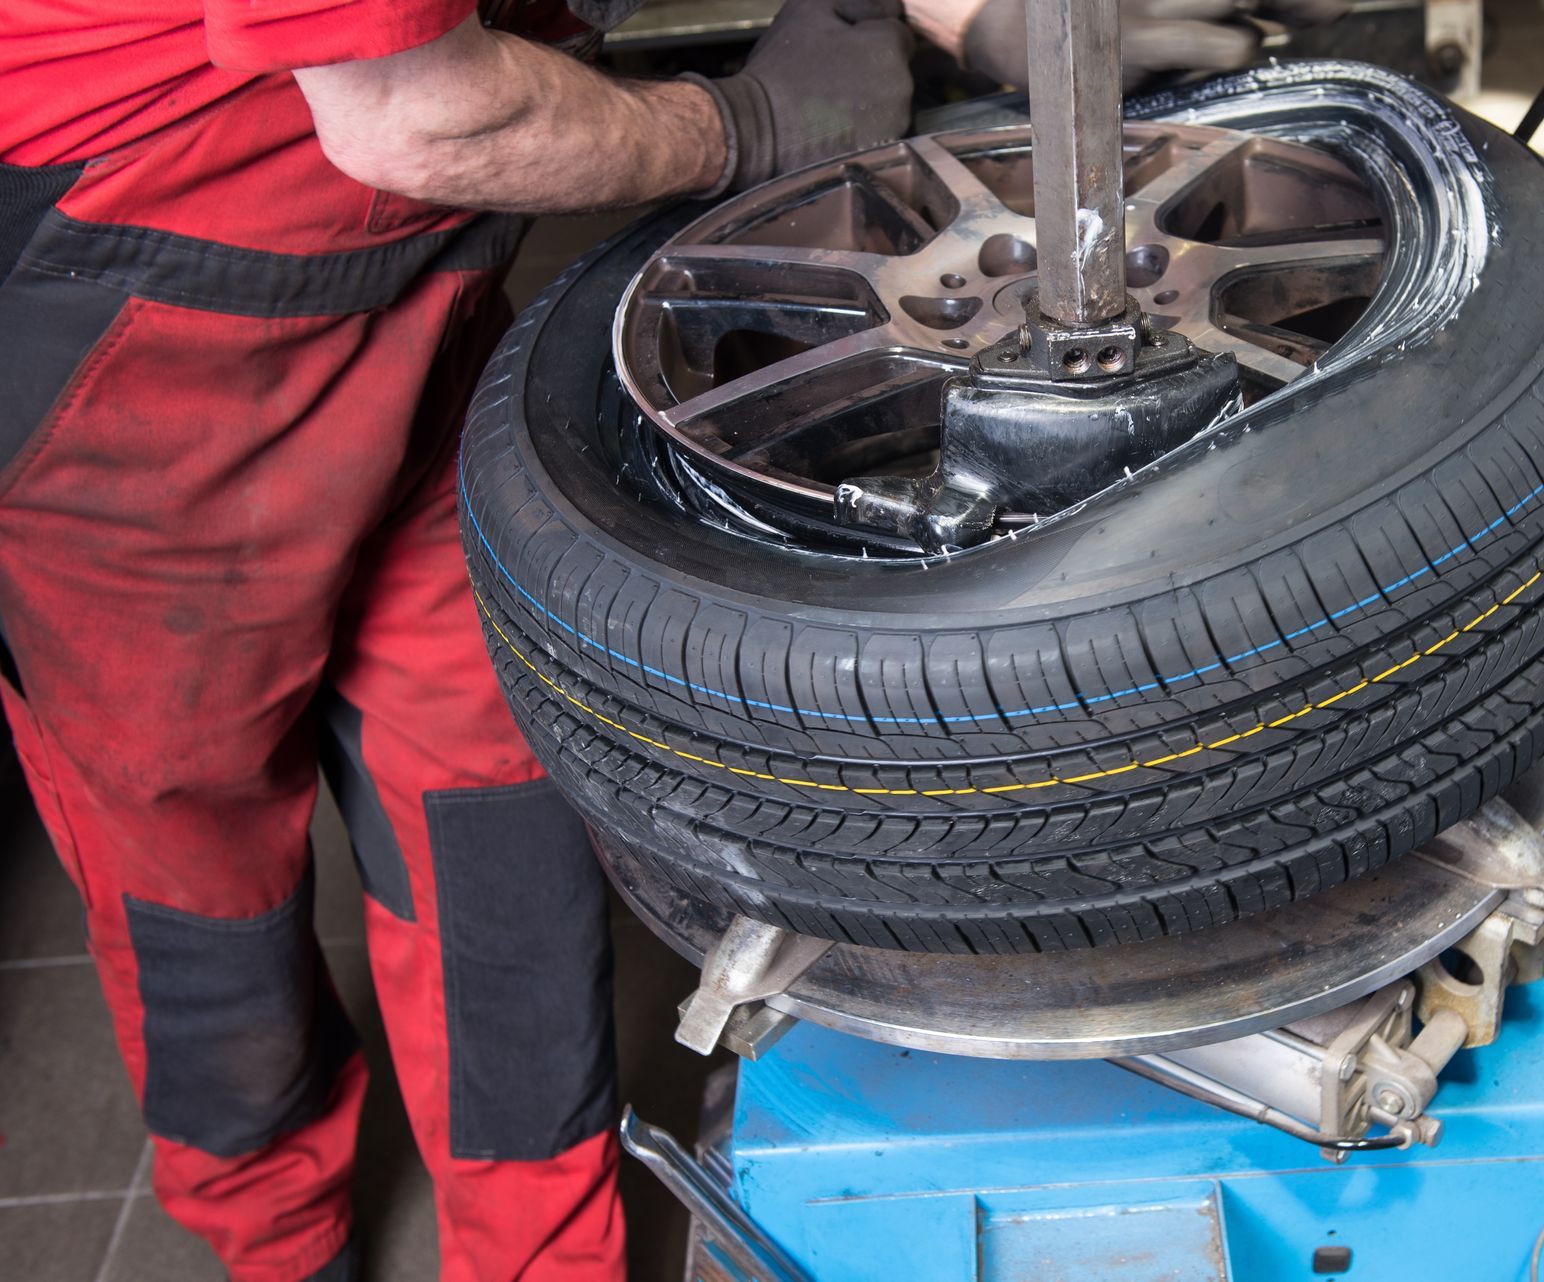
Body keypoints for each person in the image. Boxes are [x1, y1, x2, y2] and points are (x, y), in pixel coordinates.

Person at [0, 1, 1340, 1278]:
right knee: (191, 866)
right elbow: (410, 113)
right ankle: (279, 1238)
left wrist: (960, 19)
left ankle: (539, 1264)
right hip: (137, 348)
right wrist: (748, 124)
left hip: (416, 289)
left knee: (497, 814)